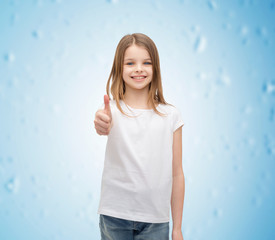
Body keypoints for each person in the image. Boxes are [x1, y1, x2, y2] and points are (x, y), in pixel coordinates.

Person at [94, 33, 185, 240]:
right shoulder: (111, 111)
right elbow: (102, 125)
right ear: (119, 68)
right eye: (130, 63)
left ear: (156, 68)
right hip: (114, 216)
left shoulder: (171, 115)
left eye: (146, 62)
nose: (138, 69)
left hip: (156, 220)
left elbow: (177, 174)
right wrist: (101, 123)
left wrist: (177, 228)